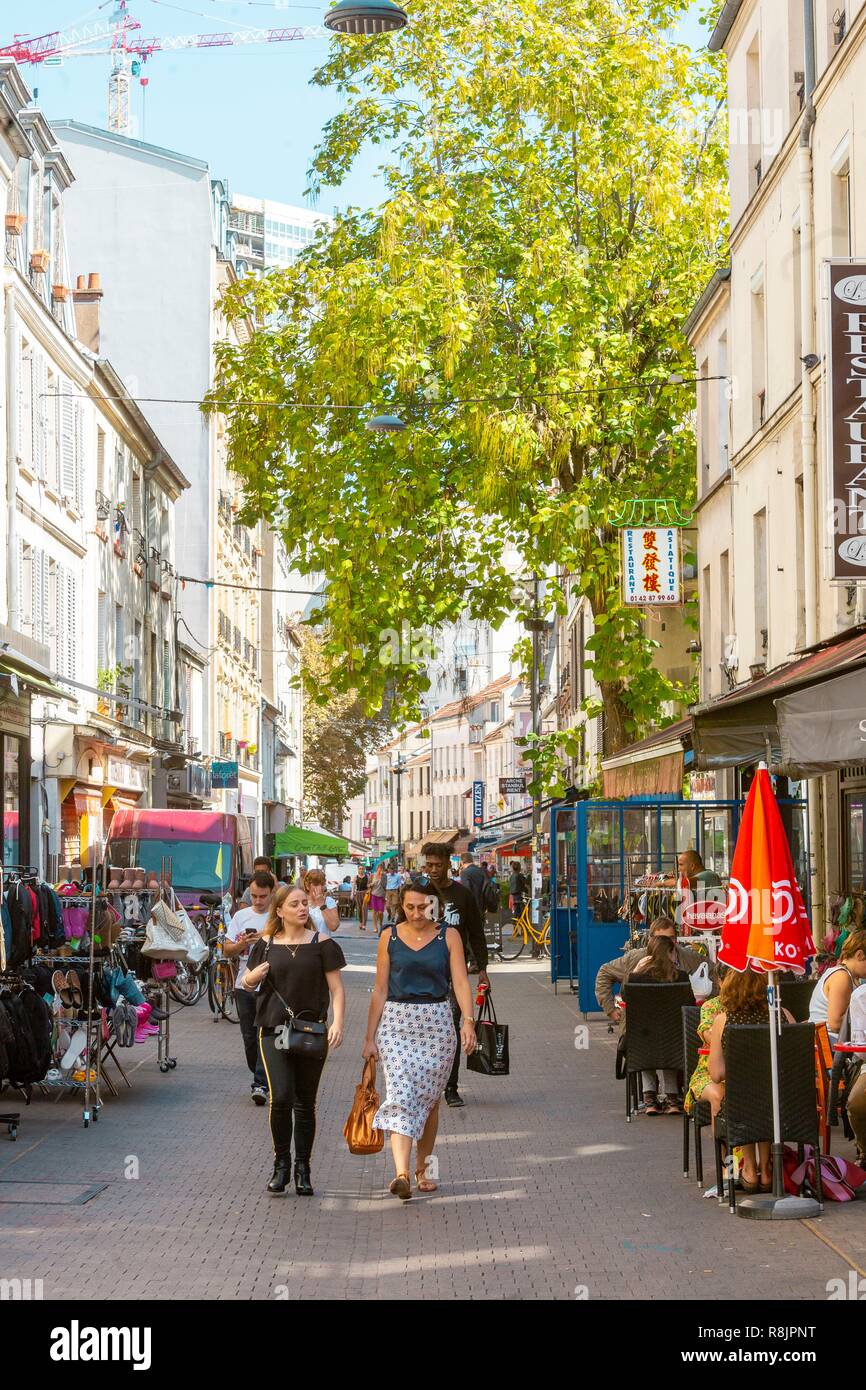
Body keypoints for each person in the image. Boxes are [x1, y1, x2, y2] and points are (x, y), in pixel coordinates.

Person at [363, 876, 476, 1199]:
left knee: (428, 1100)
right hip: (396, 1022)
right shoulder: (389, 936)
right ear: (401, 906)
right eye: (410, 907)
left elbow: (460, 982)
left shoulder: (449, 936)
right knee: (400, 1093)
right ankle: (401, 1174)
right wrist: (369, 1037)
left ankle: (421, 1168)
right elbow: (380, 989)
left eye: (423, 907)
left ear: (434, 905)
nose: (416, 913)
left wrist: (468, 1022)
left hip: (437, 1023)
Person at [242, 885, 346, 1196]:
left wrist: (337, 1023)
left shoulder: (322, 944)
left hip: (311, 1031)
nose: (302, 908)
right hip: (274, 1030)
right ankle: (281, 1164)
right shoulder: (265, 944)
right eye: (295, 904)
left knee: (305, 1103)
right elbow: (245, 983)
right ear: (279, 911)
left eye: (304, 903)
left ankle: (303, 1168)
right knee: (281, 1097)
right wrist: (253, 977)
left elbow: (337, 990)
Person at [704, 968, 795, 1193]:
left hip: (742, 1106)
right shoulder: (783, 1014)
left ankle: (748, 1169)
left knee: (743, 1092)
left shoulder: (724, 1021)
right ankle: (766, 1170)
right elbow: (797, 1062)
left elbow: (716, 1074)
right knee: (765, 1094)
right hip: (784, 1105)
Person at [422, 842, 489, 1108]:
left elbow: (475, 932)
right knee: (426, 1029)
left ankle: (451, 1087)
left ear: (449, 864)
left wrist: (482, 968)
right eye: (430, 865)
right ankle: (428, 1083)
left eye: (439, 865)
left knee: (451, 1027)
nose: (434, 870)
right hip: (424, 969)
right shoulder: (418, 892)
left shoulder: (462, 895)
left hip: (454, 969)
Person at [595, 916, 716, 1021]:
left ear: (676, 940)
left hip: (677, 1028)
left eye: (670, 939)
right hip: (640, 1028)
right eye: (660, 939)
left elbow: (717, 975)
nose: (666, 944)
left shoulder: (689, 957)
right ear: (650, 940)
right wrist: (610, 1009)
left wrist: (709, 1008)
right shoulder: (636, 958)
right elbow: (605, 972)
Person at [623, 933, 691, 1114]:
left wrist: (636, 969)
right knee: (669, 1045)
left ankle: (649, 1100)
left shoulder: (637, 978)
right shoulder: (682, 977)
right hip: (674, 1041)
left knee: (646, 1044)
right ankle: (672, 1100)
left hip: (642, 1040)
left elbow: (624, 996)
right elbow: (690, 1005)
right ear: (670, 953)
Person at [224, 869, 274, 1105]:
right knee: (249, 1038)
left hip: (271, 985)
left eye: (263, 896)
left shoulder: (279, 917)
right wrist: (242, 942)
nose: (258, 900)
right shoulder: (240, 916)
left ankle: (260, 1084)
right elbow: (226, 949)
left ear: (271, 894)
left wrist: (265, 935)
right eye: (254, 895)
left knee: (266, 1034)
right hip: (243, 985)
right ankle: (261, 1076)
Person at [809, 929, 866, 1045]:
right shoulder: (841, 977)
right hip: (828, 1044)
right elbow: (835, 1023)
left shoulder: (851, 977)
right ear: (859, 955)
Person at [302, 868, 340, 938]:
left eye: (322, 884)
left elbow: (334, 926)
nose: (320, 888)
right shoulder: (302, 902)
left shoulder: (329, 901)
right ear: (307, 886)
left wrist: (322, 905)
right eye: (316, 884)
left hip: (324, 944)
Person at [369, 863, 387, 933]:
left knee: (380, 912)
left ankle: (380, 923)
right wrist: (371, 884)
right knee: (374, 912)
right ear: (377, 868)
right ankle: (375, 926)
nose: (380, 869)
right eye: (379, 868)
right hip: (374, 895)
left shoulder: (384, 876)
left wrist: (382, 877)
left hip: (381, 895)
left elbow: (385, 886)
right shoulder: (372, 875)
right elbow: (368, 885)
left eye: (382, 868)